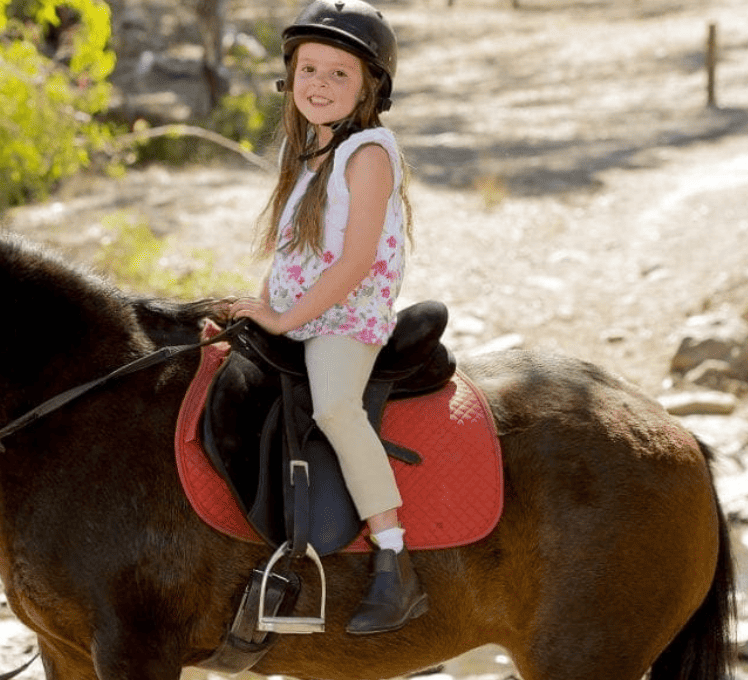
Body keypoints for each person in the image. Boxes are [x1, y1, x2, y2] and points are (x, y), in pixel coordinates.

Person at [228, 0, 426, 635]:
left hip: (346, 317)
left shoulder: (368, 153)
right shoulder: (307, 153)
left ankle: (394, 560)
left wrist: (285, 323)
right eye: (308, 69)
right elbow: (291, 255)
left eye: (339, 74)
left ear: (371, 87)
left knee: (335, 405)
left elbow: (354, 262)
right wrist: (261, 308)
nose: (318, 84)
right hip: (301, 311)